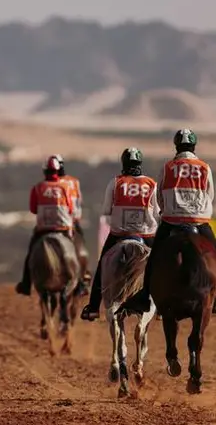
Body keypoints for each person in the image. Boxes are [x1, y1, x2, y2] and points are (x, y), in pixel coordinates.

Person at [123, 129, 216, 313]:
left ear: (176, 146)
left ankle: (145, 295)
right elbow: (210, 195)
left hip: (172, 221)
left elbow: (159, 197)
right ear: (194, 146)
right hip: (199, 221)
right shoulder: (205, 167)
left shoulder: (167, 167)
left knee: (155, 256)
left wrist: (169, 210)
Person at [80, 147, 159, 321]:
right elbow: (157, 213)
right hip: (146, 235)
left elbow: (106, 211)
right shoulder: (151, 184)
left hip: (119, 234)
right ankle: (161, 306)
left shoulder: (115, 183)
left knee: (102, 266)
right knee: (162, 264)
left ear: (124, 163)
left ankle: (93, 307)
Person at [15, 155, 75, 296]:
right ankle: (82, 280)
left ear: (45, 171)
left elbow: (33, 209)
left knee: (31, 254)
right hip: (63, 229)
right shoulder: (66, 187)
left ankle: (26, 283)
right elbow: (71, 208)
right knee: (75, 253)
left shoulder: (38, 188)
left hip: (43, 230)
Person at [55, 154, 84, 239]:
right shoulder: (74, 181)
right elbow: (80, 201)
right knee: (80, 240)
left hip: (58, 221)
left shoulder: (49, 184)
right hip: (73, 219)